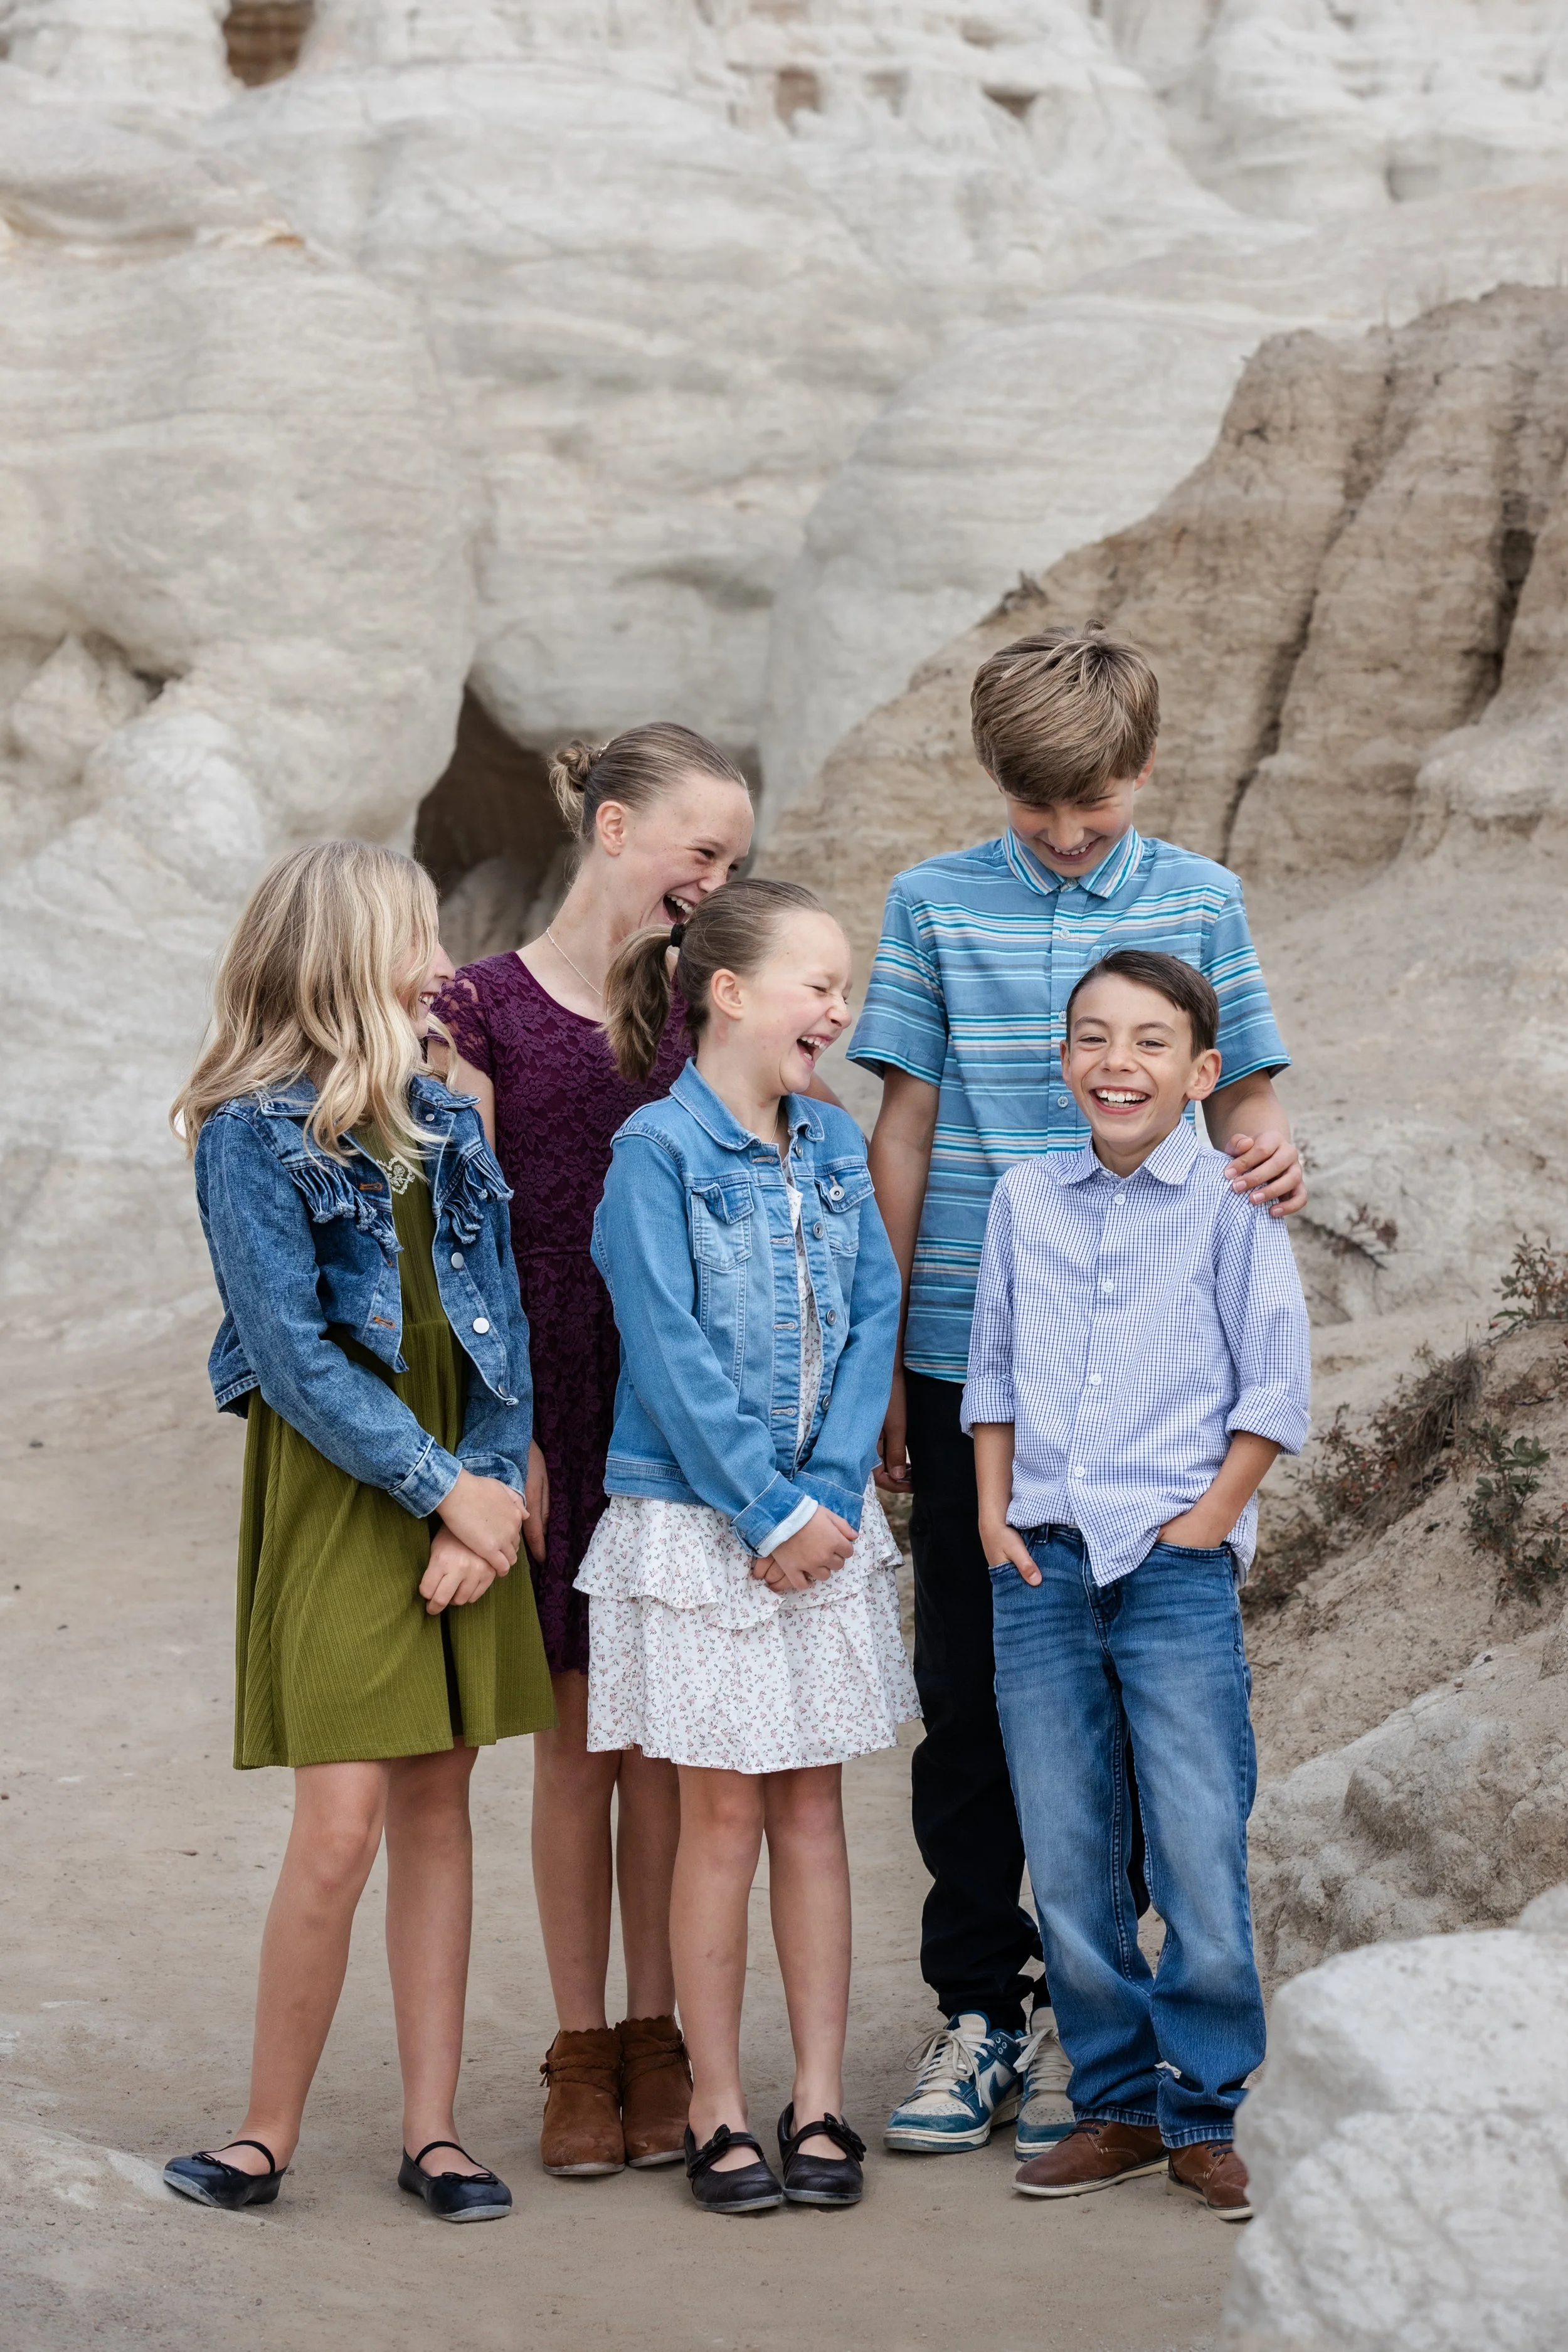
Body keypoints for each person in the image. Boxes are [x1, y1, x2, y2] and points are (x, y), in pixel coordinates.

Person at [849, 627, 1307, 2158]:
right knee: (975, 1700)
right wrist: (877, 1371)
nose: (1060, 837)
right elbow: (904, 1132)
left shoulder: (1200, 898)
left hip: (1154, 1380)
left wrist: (1275, 1146)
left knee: (1136, 1703)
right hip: (976, 1371)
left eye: (1090, 812)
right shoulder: (931, 902)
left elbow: (1238, 1099)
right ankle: (983, 2004)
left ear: (1140, 774)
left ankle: (1115, 2039)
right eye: (1033, 809)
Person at [162, 840, 553, 2222]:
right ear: (340, 956)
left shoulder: (447, 1112)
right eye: (417, 935)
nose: (443, 962)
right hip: (346, 1484)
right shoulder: (248, 1134)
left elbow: (500, 1327)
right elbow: (291, 1354)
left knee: (440, 1809)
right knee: (338, 1828)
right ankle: (265, 2131)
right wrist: (440, 1487)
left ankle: (433, 2133)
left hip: (465, 1479)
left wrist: (488, 1500)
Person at [436, 724, 756, 2177]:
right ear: (613, 828)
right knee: (575, 1743)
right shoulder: (478, 1009)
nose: (717, 881)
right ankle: (579, 2050)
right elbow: (462, 1245)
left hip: (675, 1412)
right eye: (703, 853)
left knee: (668, 1747)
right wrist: (502, 1446)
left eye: (736, 864)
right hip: (550, 1413)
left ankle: (658, 2037)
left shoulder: (706, 1011)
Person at [576, 877, 918, 2215]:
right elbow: (662, 1353)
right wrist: (764, 1511)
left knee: (813, 1815)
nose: (839, 1008)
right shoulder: (651, 1158)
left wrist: (825, 1495)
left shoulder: (831, 1146)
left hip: (824, 1526)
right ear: (726, 992)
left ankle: (819, 2099)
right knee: (716, 1820)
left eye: (844, 988)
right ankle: (717, 2106)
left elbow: (869, 1314)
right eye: (818, 984)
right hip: (697, 1523)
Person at [967, 949, 1310, 2219]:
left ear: (1199, 1071)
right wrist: (995, 1518)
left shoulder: (1231, 1201)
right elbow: (991, 1371)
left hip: (1171, 1564)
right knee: (1064, 1850)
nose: (1118, 1061)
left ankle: (1205, 2108)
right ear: (1061, 1061)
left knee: (1195, 1836)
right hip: (1040, 1560)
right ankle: (1110, 2103)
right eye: (1092, 1038)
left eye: (1149, 1041)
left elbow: (1272, 1384)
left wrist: (1204, 1524)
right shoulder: (1022, 1198)